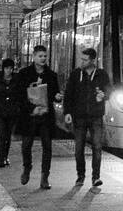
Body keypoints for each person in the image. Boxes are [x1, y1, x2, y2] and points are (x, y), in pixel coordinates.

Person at [10, 45, 62, 189]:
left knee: (47, 146)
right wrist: (33, 108)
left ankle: (45, 177)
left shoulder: (51, 75)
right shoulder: (24, 73)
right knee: (26, 145)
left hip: (45, 116)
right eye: (40, 56)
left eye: (45, 56)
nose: (43, 59)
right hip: (29, 116)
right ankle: (27, 168)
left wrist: (57, 97)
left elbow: (54, 94)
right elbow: (19, 95)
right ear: (33, 57)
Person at [64, 47, 111, 187]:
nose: (82, 62)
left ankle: (95, 177)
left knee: (97, 146)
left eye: (85, 60)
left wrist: (104, 95)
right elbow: (69, 94)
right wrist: (67, 112)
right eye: (81, 59)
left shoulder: (101, 74)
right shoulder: (75, 74)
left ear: (92, 60)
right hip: (79, 117)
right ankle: (80, 175)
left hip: (96, 116)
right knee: (79, 148)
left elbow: (109, 90)